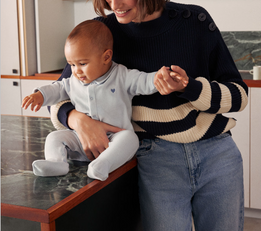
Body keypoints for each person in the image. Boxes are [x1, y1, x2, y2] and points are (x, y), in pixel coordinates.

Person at [50, 0, 248, 231]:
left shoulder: (195, 22)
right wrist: (78, 120)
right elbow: (59, 96)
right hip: (155, 159)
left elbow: (239, 96)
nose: (113, 3)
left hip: (217, 154)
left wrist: (189, 88)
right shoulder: (100, 34)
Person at [22, 20, 176, 181]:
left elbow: (144, 81)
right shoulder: (73, 81)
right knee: (54, 137)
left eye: (82, 63)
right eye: (71, 65)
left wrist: (160, 77)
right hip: (80, 138)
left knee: (130, 139)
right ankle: (56, 163)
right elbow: (57, 88)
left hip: (114, 140)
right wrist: (39, 95)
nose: (76, 71)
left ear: (106, 57)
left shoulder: (122, 76)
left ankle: (103, 164)